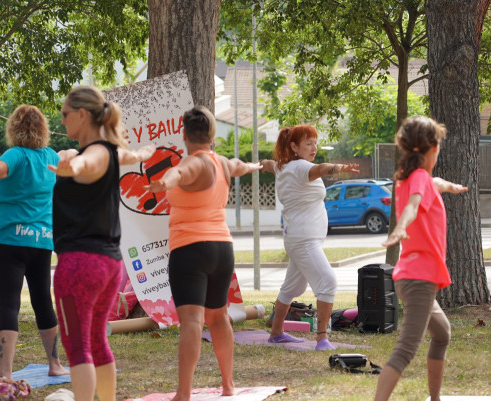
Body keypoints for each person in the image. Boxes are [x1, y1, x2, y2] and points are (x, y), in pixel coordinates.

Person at [145, 106, 261, 401]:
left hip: (190, 249)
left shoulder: (194, 163)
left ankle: (183, 392)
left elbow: (179, 172)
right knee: (218, 317)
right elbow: (239, 165)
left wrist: (164, 183)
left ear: (184, 135)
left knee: (193, 321)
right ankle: (228, 385)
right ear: (212, 135)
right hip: (222, 249)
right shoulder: (221, 162)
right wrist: (256, 167)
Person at [48, 85, 154, 401]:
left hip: (79, 264)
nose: (63, 120)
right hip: (108, 264)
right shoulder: (112, 151)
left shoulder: (92, 153)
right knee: (96, 340)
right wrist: (142, 154)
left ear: (82, 114)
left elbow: (88, 162)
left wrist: (73, 167)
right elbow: (127, 154)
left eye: (66, 114)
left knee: (77, 344)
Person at [0, 105, 68, 379]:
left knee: (8, 304)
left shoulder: (16, 155)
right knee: (43, 300)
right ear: (43, 129)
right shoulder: (50, 157)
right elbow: (67, 155)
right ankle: (54, 365)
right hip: (41, 242)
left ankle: (6, 374)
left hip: (10, 242)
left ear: (13, 129)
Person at [374, 117, 468, 401]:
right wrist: (401, 227)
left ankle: (435, 399)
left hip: (411, 276)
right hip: (419, 279)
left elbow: (432, 183)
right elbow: (414, 205)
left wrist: (449, 186)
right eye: (438, 146)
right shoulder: (416, 180)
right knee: (405, 350)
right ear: (431, 149)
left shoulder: (411, 177)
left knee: (442, 334)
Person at [259, 125, 360, 351]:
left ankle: (276, 334)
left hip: (298, 237)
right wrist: (339, 167)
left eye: (315, 143)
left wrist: (254, 165)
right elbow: (321, 169)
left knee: (291, 288)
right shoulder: (301, 166)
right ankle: (322, 338)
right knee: (328, 282)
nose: (313, 148)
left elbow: (267, 164)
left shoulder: (282, 166)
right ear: (294, 147)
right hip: (304, 240)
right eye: (308, 144)